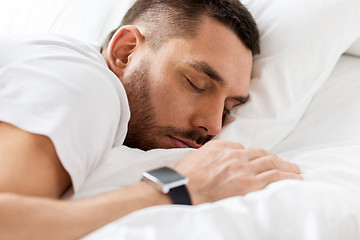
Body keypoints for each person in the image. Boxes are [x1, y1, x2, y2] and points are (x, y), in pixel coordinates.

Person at [0, 0, 303, 239]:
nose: (212, 126)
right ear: (125, 51)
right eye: (195, 84)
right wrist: (174, 190)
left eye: (228, 109)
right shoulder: (85, 85)